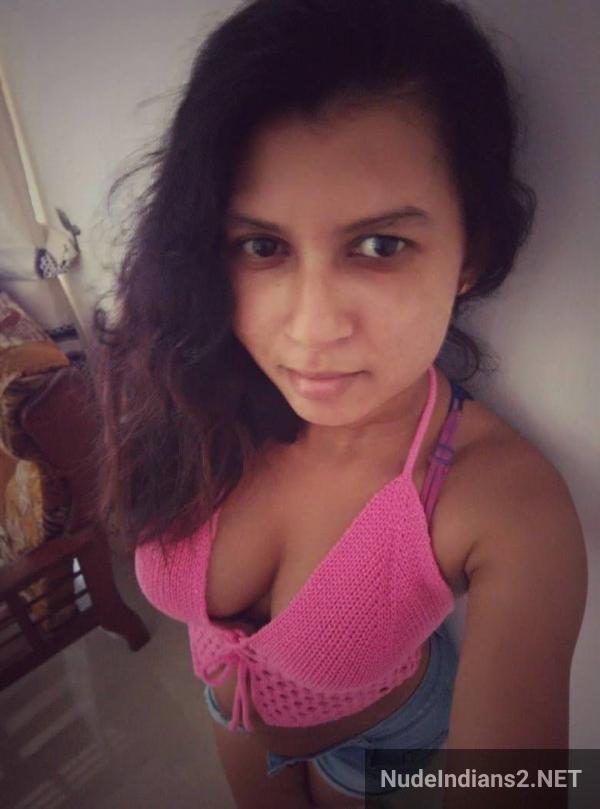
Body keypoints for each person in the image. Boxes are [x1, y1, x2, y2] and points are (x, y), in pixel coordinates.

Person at [90, 0, 587, 806]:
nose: (312, 328)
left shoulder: (506, 503)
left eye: (380, 245)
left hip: (380, 746)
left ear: (471, 252)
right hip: (229, 712)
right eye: (263, 245)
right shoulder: (190, 384)